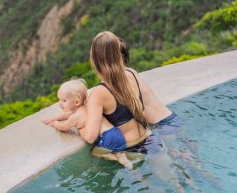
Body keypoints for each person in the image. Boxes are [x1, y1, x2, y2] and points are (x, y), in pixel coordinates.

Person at [80, 31, 189, 192]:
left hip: (132, 149)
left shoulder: (98, 93)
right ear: (118, 53)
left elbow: (90, 136)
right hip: (151, 140)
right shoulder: (131, 74)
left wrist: (79, 126)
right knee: (177, 186)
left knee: (97, 152)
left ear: (95, 58)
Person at [43, 78, 135, 168]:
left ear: (77, 102)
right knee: (117, 149)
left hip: (106, 138)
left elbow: (63, 127)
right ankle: (121, 156)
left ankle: (118, 159)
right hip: (116, 134)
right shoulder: (88, 106)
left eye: (64, 101)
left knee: (95, 153)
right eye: (59, 100)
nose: (60, 104)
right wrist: (54, 118)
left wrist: (55, 123)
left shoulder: (75, 117)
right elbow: (66, 114)